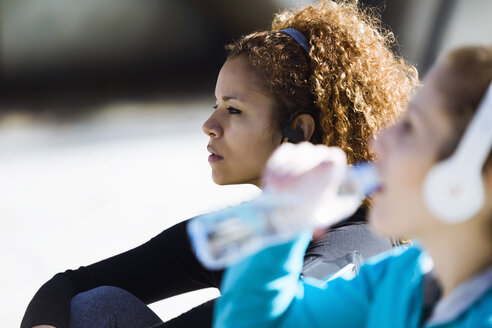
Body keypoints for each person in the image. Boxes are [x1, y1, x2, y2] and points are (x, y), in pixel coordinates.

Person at [21, 1, 417, 327]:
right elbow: (70, 284)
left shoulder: (355, 250)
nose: (209, 125)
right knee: (95, 303)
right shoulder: (244, 227)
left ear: (297, 131)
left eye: (233, 110)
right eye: (215, 105)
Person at [212, 46, 492, 328]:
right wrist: (279, 222)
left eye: (410, 128)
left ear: (463, 179)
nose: (378, 143)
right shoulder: (401, 277)